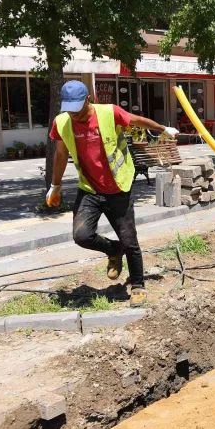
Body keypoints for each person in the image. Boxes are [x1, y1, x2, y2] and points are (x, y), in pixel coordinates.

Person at [46, 81, 179, 307]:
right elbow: (60, 155)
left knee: (130, 240)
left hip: (118, 187)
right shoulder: (62, 123)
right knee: (82, 235)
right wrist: (55, 186)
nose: (73, 114)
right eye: (69, 108)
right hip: (89, 188)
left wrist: (163, 129)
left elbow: (136, 120)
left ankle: (137, 285)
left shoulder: (109, 113)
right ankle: (113, 250)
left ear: (88, 100)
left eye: (77, 108)